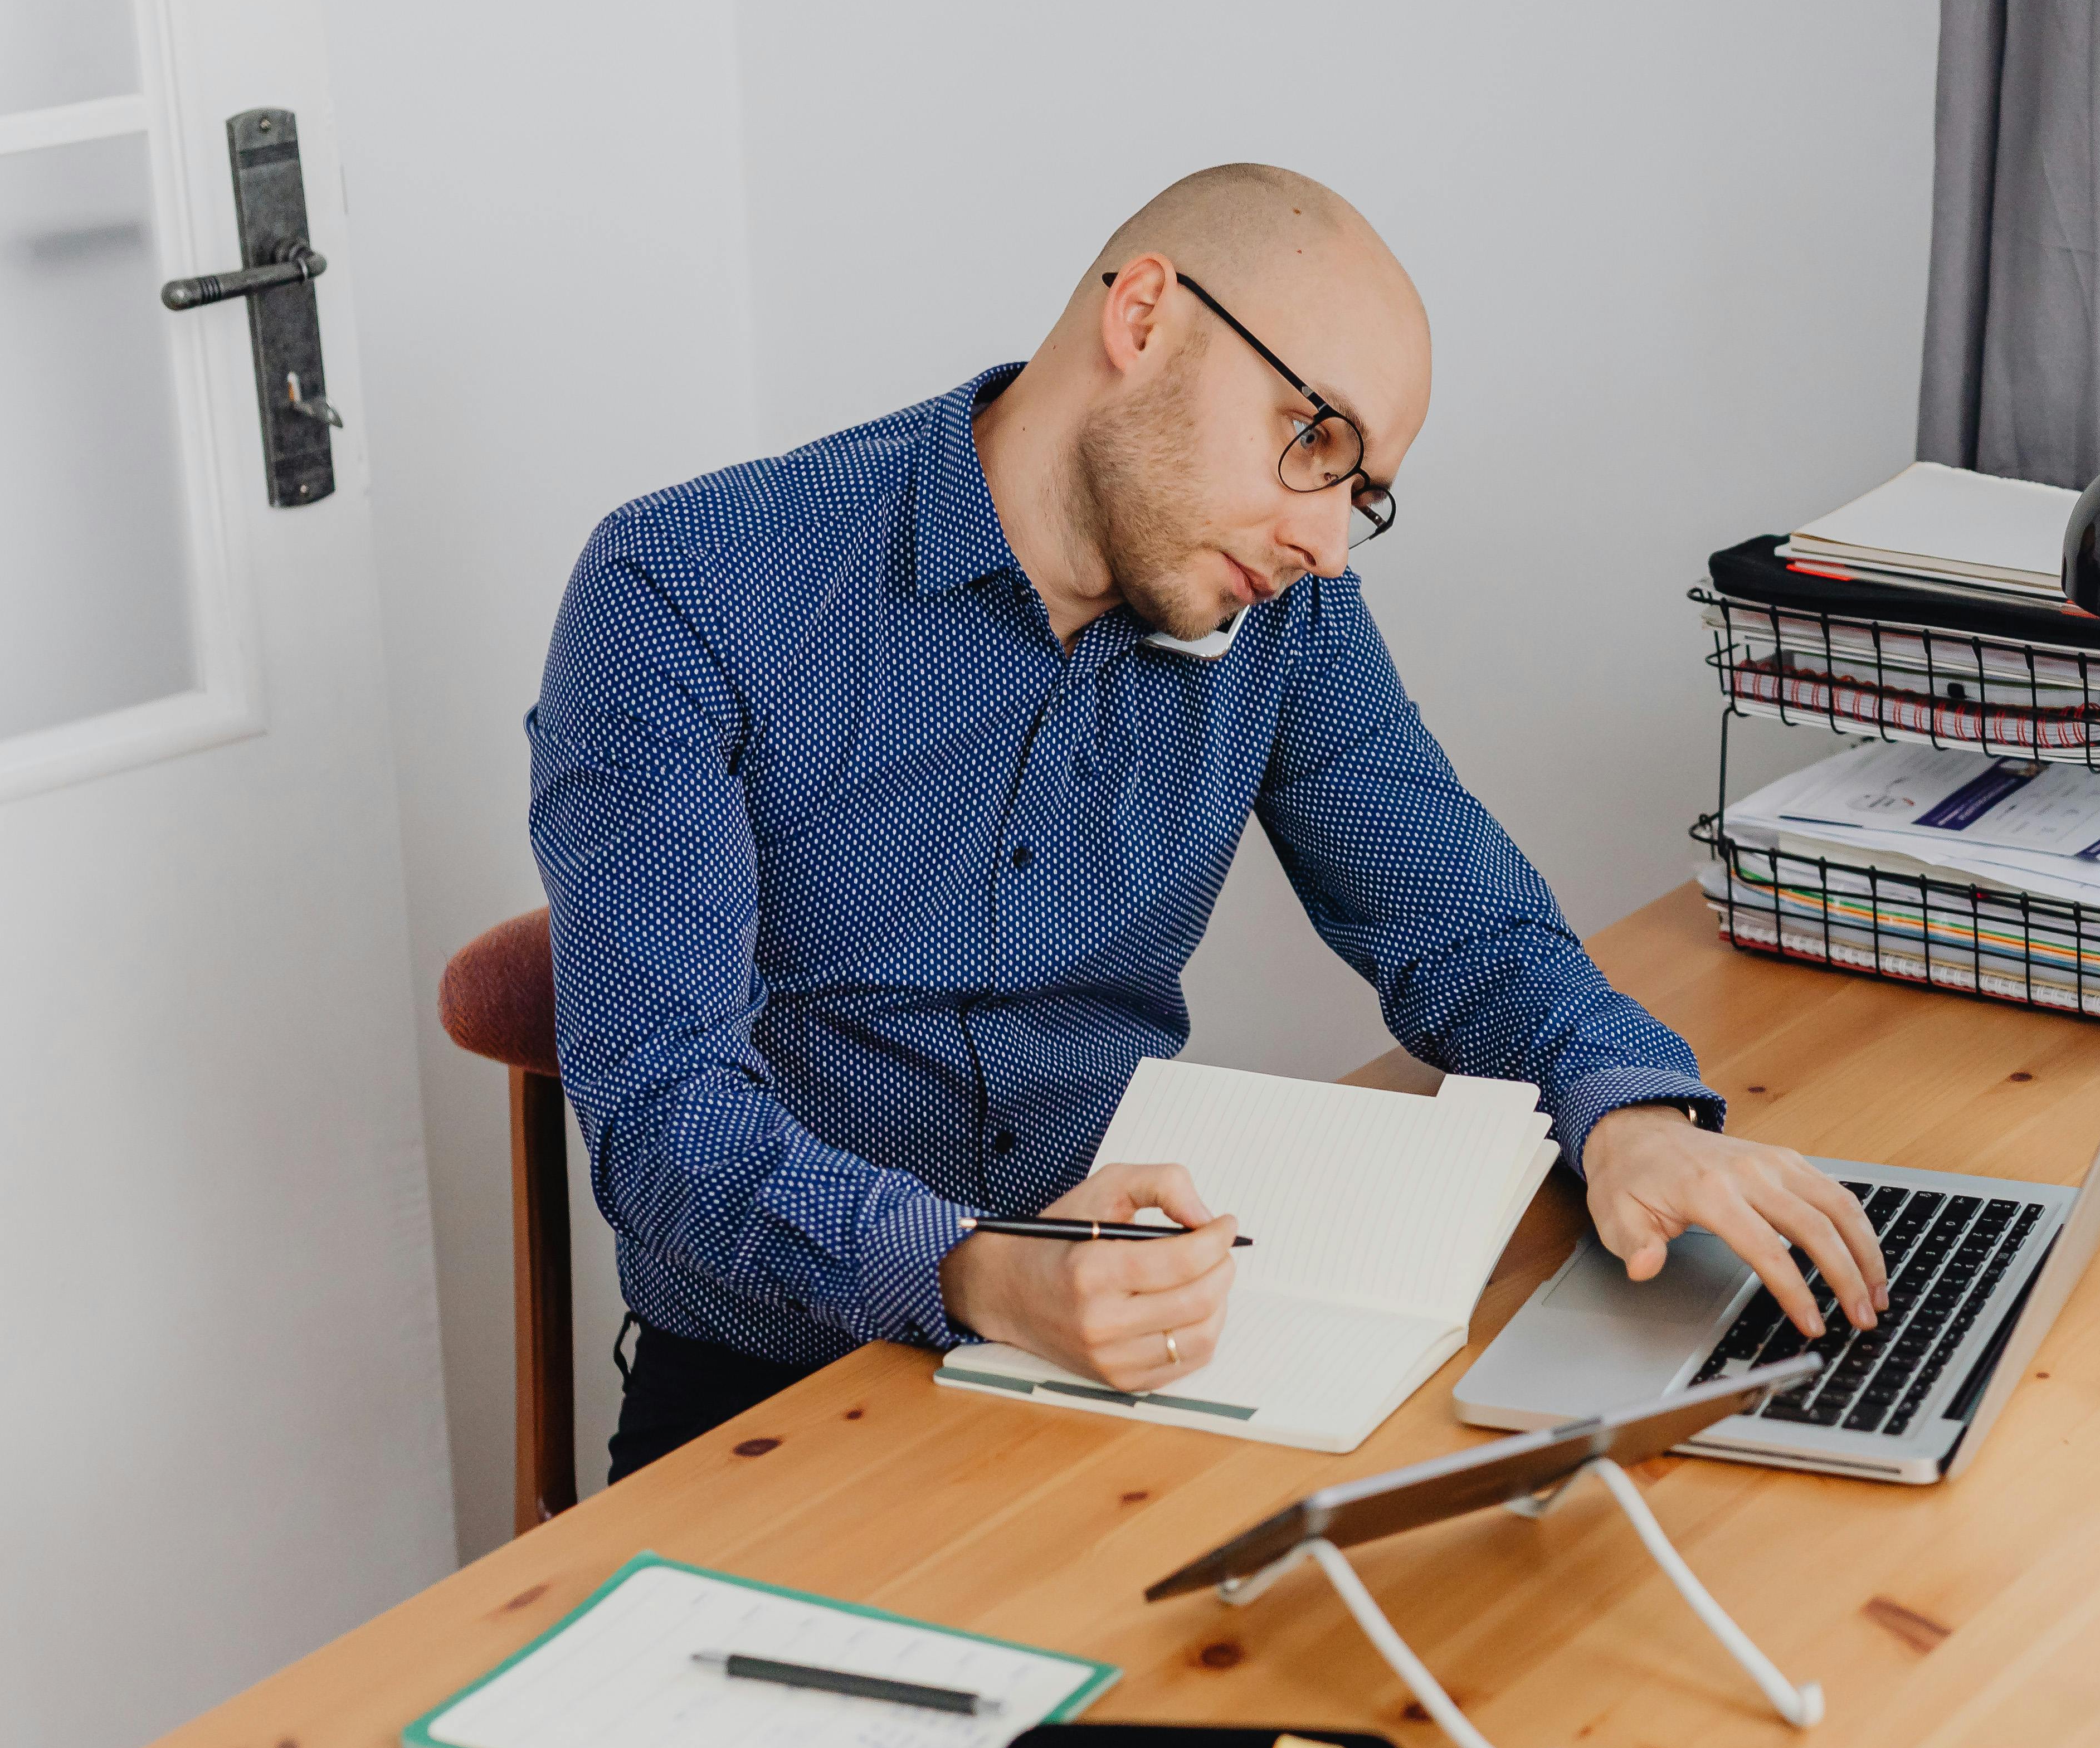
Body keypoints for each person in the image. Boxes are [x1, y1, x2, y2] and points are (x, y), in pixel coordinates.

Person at [533, 162, 1888, 1479]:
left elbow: (1462, 923)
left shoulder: (1283, 616)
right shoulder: (687, 590)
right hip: (785, 1394)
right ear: (1142, 319)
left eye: (1363, 494)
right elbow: (664, 1123)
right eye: (1316, 441)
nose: (1329, 543)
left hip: (1145, 1349)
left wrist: (1631, 1115)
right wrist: (977, 1263)